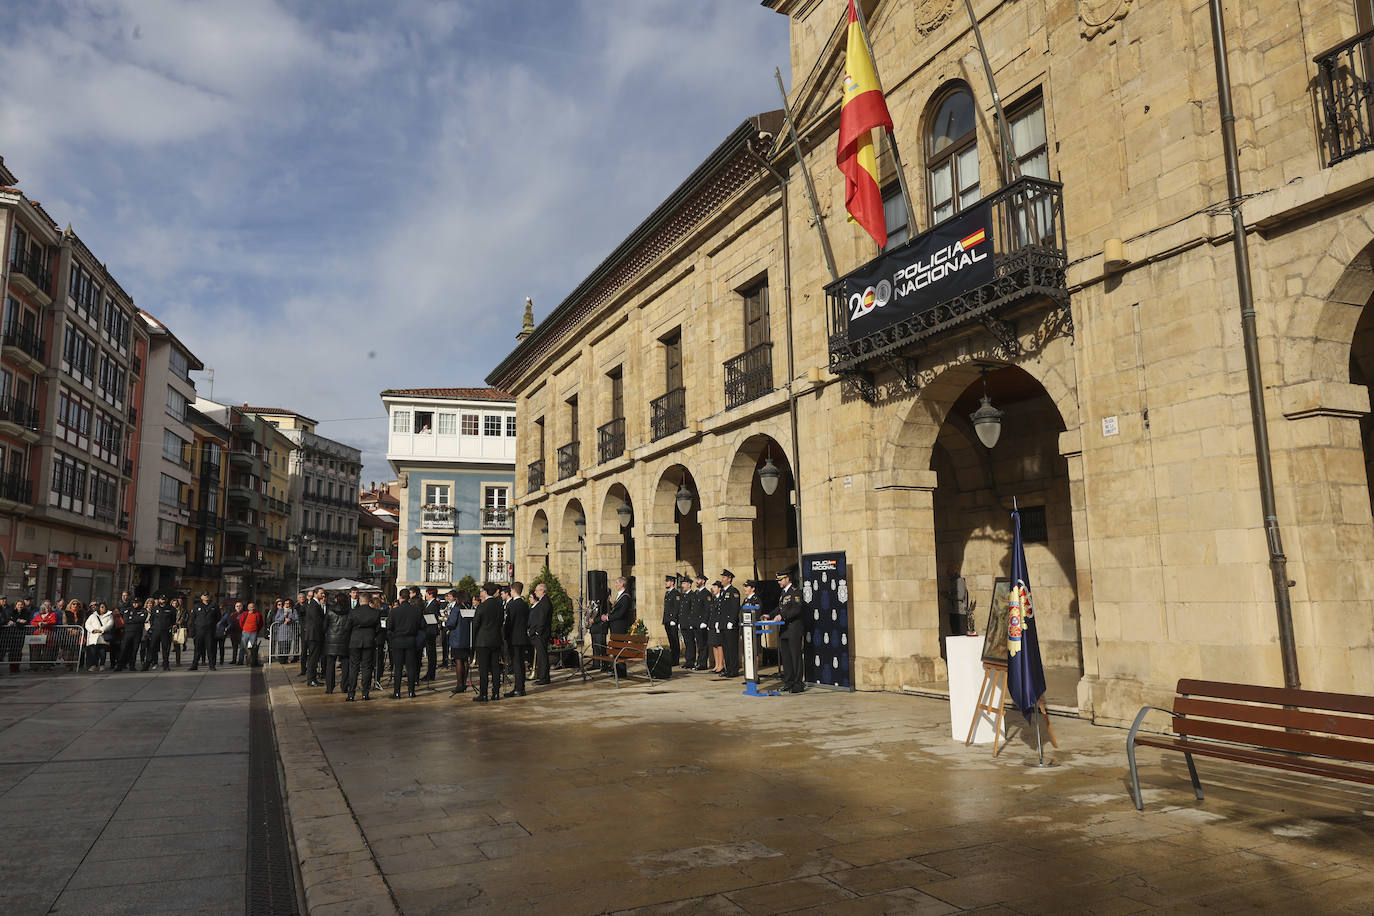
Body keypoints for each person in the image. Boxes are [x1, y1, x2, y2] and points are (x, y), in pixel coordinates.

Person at [470, 583, 504, 702]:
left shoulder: (482, 606)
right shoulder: (499, 605)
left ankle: (483, 694)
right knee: (495, 668)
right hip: (495, 639)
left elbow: (476, 624)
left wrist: (474, 640)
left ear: (485, 591)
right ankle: (496, 693)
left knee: (483, 669)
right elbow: (501, 622)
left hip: (483, 640)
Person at [773, 570, 805, 693]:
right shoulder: (783, 593)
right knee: (786, 658)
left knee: (795, 657)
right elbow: (780, 608)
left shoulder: (795, 592)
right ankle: (789, 682)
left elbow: (797, 609)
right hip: (784, 630)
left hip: (793, 629)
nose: (779, 582)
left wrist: (783, 616)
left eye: (781, 580)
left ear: (787, 579)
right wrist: (769, 615)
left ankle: (798, 684)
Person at [387, 589, 423, 698]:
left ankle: (397, 692)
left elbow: (389, 627)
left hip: (398, 641)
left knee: (398, 668)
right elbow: (421, 626)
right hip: (411, 640)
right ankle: (411, 691)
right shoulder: (416, 611)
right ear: (409, 598)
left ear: (400, 597)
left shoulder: (394, 611)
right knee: (411, 667)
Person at [345, 593, 379, 701]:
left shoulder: (353, 612)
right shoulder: (375, 613)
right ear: (369, 601)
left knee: (354, 668)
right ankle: (365, 693)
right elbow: (378, 628)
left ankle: (351, 693)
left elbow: (347, 627)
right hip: (369, 641)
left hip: (355, 641)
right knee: (367, 667)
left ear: (360, 601)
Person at [503, 581, 530, 697]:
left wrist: (505, 635)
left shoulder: (512, 605)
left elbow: (508, 623)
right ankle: (521, 687)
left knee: (516, 664)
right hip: (523, 637)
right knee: (521, 663)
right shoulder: (525, 604)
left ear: (513, 590)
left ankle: (518, 689)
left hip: (514, 638)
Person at [322, 595, 352, 694]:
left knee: (330, 665)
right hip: (345, 640)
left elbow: (324, 627)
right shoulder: (350, 612)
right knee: (345, 665)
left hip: (331, 640)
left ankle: (329, 687)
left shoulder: (330, 612)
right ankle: (344, 686)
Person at [446, 590, 473, 694]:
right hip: (467, 638)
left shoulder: (456, 608)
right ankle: (464, 683)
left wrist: (446, 623)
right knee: (465, 661)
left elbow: (451, 623)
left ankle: (459, 685)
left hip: (457, 638)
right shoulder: (468, 608)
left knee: (458, 661)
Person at [527, 582, 553, 686]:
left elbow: (542, 619)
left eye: (537, 590)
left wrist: (538, 631)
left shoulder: (545, 602)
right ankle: (543, 676)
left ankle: (544, 678)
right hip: (541, 633)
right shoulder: (543, 601)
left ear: (543, 591)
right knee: (541, 655)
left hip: (541, 634)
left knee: (542, 656)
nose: (535, 592)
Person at [718, 569, 742, 679]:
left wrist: (731, 621)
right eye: (722, 577)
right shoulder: (722, 592)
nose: (722, 579)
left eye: (724, 577)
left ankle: (734, 669)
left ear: (729, 579)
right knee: (726, 648)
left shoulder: (734, 591)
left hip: (730, 625)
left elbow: (735, 608)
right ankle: (728, 669)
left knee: (732, 648)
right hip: (723, 624)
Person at [143, 595, 176, 672]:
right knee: (151, 648)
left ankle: (166, 665)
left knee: (165, 649)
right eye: (161, 599)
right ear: (159, 600)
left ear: (167, 600)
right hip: (156, 631)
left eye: (164, 600)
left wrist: (170, 627)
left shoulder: (171, 609)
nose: (163, 601)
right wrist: (152, 629)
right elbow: (152, 620)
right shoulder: (155, 608)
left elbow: (173, 620)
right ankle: (147, 664)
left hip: (166, 631)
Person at [302, 588, 327, 685]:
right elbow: (317, 620)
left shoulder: (315, 604)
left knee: (314, 658)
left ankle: (312, 679)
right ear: (316, 594)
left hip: (315, 635)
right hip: (314, 635)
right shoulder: (313, 604)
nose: (323, 595)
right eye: (321, 593)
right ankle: (311, 679)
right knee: (313, 658)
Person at [189, 592, 218, 671]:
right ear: (201, 597)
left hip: (209, 631)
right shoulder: (196, 606)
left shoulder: (214, 606)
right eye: (204, 595)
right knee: (197, 649)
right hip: (199, 631)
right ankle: (194, 665)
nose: (206, 597)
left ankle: (212, 665)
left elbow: (218, 617)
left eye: (207, 595)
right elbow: (192, 619)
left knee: (210, 649)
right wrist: (192, 631)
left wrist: (211, 624)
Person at [116, 599, 148, 672]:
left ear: (140, 603)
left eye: (137, 603)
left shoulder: (143, 610)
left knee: (134, 650)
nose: (135, 604)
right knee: (123, 649)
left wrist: (132, 619)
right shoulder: (128, 610)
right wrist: (135, 619)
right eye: (134, 603)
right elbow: (126, 620)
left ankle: (132, 665)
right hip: (128, 632)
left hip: (137, 633)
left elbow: (142, 619)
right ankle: (120, 666)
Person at [83, 602, 113, 671]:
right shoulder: (93, 615)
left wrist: (101, 630)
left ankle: (102, 665)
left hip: (103, 637)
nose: (103, 608)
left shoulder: (109, 615)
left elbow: (110, 624)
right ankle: (94, 665)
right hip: (94, 638)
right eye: (102, 607)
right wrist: (93, 630)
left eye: (104, 607)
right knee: (93, 652)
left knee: (102, 652)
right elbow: (87, 624)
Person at [30, 601, 58, 670]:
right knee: (36, 651)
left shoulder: (53, 614)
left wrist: (46, 623)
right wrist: (38, 624)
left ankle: (46, 666)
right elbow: (32, 622)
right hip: (37, 634)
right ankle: (35, 666)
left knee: (47, 651)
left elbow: (54, 621)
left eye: (48, 605)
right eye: (45, 605)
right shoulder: (38, 615)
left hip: (48, 633)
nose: (47, 607)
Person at [676, 576, 696, 674]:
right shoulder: (683, 596)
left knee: (691, 643)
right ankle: (688, 661)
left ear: (689, 585)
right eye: (682, 584)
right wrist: (679, 622)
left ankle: (691, 661)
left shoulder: (692, 595)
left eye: (684, 584)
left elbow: (692, 611)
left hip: (689, 623)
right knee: (687, 643)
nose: (682, 586)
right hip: (683, 623)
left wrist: (691, 622)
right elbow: (681, 611)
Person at [691, 575, 711, 670]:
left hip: (701, 623)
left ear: (703, 581)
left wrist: (704, 621)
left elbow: (707, 609)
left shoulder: (706, 593)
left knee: (703, 644)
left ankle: (703, 663)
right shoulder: (696, 593)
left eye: (698, 580)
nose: (696, 581)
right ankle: (699, 662)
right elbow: (693, 609)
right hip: (695, 622)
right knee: (699, 644)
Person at [421, 587, 441, 682]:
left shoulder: (434, 604)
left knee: (431, 653)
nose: (425, 595)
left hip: (431, 630)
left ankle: (431, 674)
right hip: (428, 630)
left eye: (427, 593)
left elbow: (432, 616)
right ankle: (429, 673)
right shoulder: (429, 603)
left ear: (431, 594)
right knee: (429, 652)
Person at [661, 574, 680, 668]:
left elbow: (676, 608)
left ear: (672, 582)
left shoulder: (676, 593)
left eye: (667, 581)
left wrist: (674, 619)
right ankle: (673, 658)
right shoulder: (667, 593)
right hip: (667, 620)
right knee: (671, 640)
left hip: (672, 621)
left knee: (674, 640)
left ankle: (675, 659)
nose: (666, 582)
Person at [240, 601, 265, 666]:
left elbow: (261, 624)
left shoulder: (258, 614)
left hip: (253, 633)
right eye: (251, 607)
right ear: (248, 608)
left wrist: (256, 630)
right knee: (243, 647)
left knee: (253, 649)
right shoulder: (245, 614)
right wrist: (244, 629)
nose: (252, 608)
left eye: (253, 607)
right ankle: (240, 660)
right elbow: (241, 622)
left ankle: (253, 662)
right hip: (245, 632)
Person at [273, 599, 298, 664]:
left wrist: (290, 619)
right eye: (286, 603)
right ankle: (281, 659)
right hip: (281, 631)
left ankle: (286, 659)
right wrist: (284, 617)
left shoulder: (293, 610)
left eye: (288, 603)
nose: (287, 604)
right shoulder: (280, 610)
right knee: (281, 646)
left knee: (288, 646)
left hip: (289, 631)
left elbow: (296, 618)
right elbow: (276, 619)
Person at [218, 602, 241, 666]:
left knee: (243, 647)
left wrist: (226, 628)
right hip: (233, 633)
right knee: (234, 647)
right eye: (237, 606)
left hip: (241, 632)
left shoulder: (244, 614)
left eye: (239, 606)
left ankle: (241, 660)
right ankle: (234, 660)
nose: (238, 607)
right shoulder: (232, 614)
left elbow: (229, 623)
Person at [170, 597, 189, 667]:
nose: (174, 604)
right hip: (169, 629)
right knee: (167, 646)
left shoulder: (182, 610)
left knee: (177, 646)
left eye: (176, 603)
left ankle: (178, 661)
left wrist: (178, 623)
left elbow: (184, 618)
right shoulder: (169, 610)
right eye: (173, 603)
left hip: (177, 629)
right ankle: (165, 661)